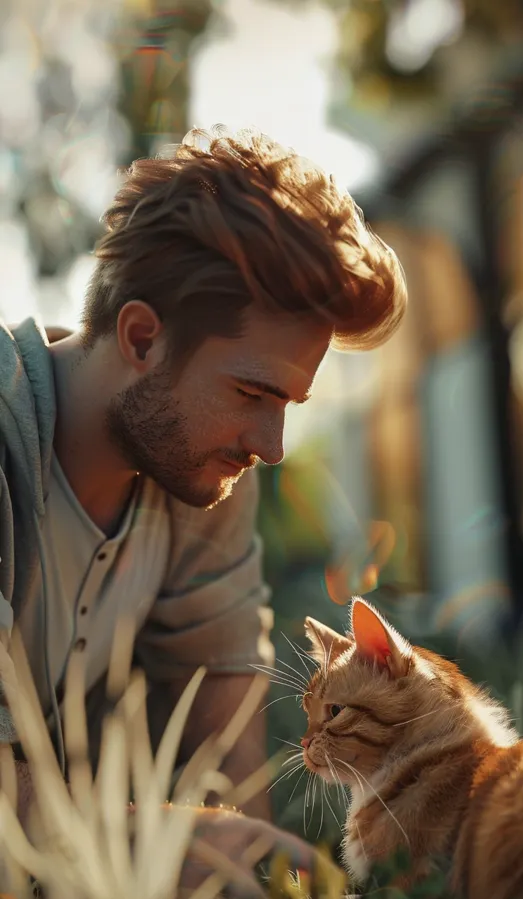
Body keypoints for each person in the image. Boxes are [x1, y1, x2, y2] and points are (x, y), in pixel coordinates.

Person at [0, 125, 406, 825]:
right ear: (142, 338)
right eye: (253, 393)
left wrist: (248, 879)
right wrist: (175, 846)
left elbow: (228, 756)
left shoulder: (199, 472)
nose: (273, 447)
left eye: (288, 404)